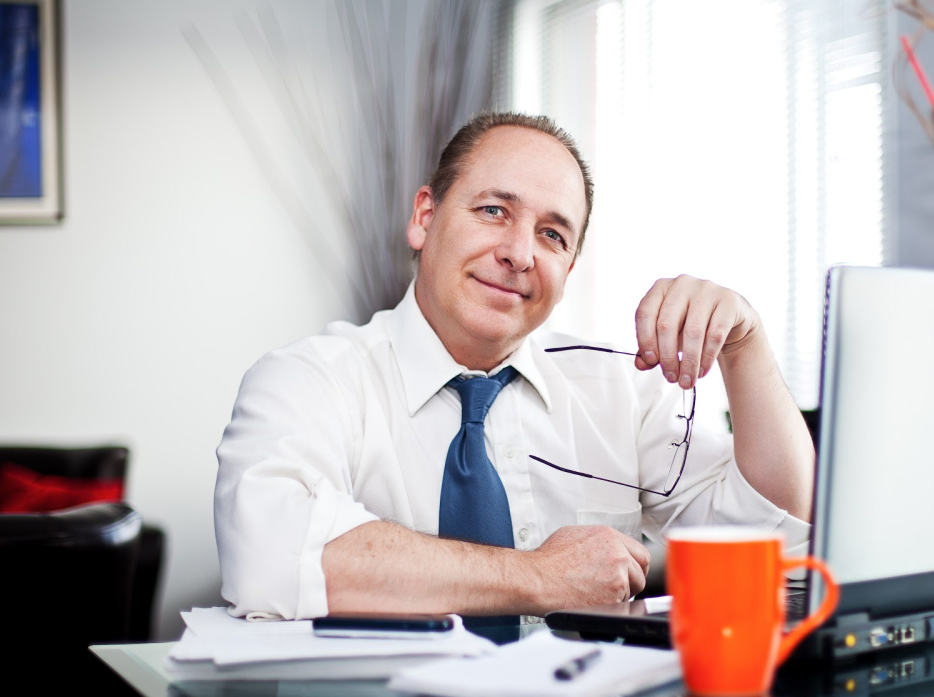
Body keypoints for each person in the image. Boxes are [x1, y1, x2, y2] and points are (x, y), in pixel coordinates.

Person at [215, 112, 815, 621]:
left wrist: (746, 346)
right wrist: (536, 576)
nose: (520, 253)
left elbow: (776, 534)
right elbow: (271, 555)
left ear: (569, 270)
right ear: (425, 217)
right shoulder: (308, 380)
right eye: (495, 210)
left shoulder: (621, 392)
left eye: (553, 235)